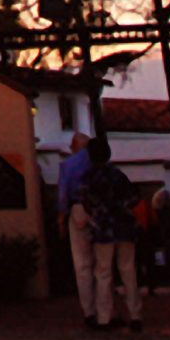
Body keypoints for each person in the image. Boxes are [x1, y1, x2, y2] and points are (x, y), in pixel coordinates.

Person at [80, 138, 144, 329]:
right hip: (124, 226)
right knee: (128, 269)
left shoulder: (89, 178)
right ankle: (135, 315)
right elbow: (133, 198)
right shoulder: (118, 175)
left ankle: (104, 317)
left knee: (103, 272)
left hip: (103, 229)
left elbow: (87, 203)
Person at [56, 130, 95, 321]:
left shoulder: (68, 165)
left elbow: (63, 195)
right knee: (102, 264)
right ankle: (106, 309)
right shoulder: (97, 163)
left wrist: (61, 219)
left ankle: (89, 311)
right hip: (98, 210)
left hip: (78, 209)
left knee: (82, 263)